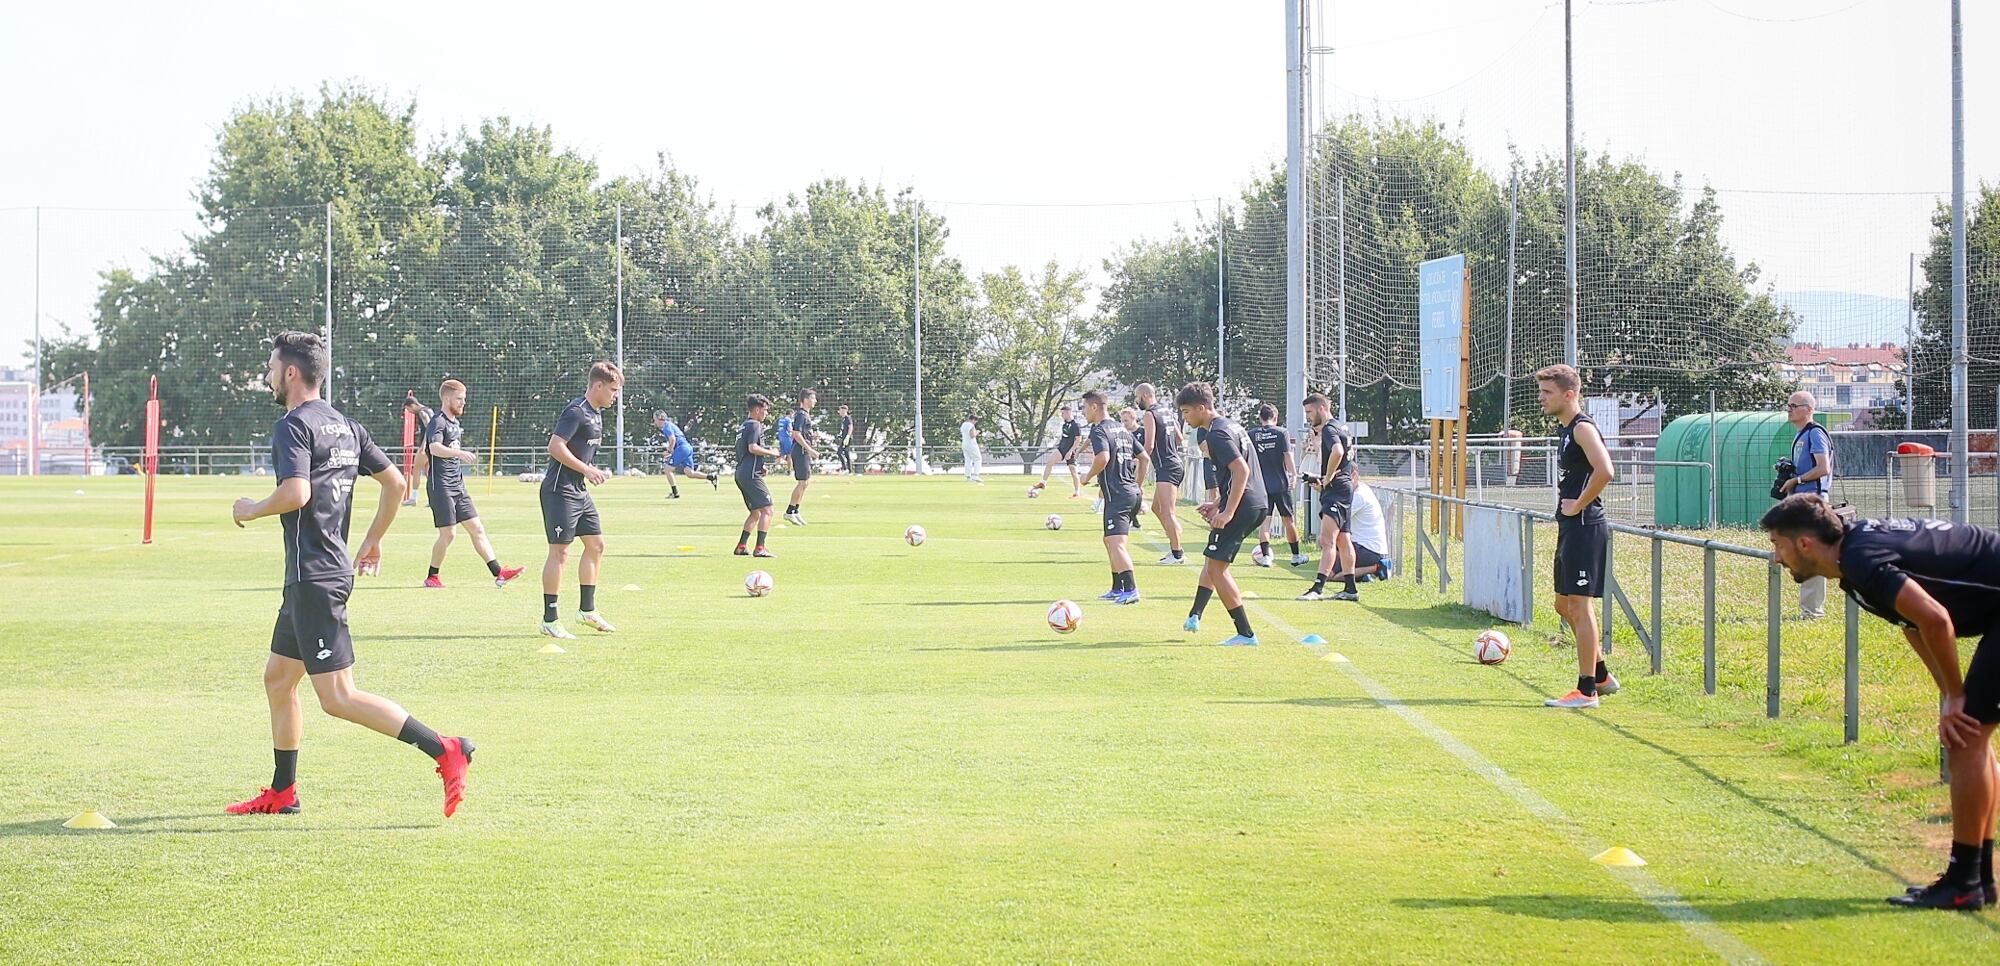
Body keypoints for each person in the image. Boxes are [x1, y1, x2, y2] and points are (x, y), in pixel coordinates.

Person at [226, 331, 473, 818]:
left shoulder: (293, 427)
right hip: (320, 573)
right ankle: (283, 791)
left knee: (338, 697)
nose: (269, 375)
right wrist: (373, 539)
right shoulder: (345, 425)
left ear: (291, 372)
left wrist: (251, 508)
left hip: (314, 579)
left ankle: (445, 747)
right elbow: (396, 482)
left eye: (273, 367)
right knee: (279, 679)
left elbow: (296, 493)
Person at [1762, 495, 2000, 909]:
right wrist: (1948, 692)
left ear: (1804, 544)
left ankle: (1964, 882)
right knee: (1970, 734)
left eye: (1778, 546)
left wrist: (1957, 696)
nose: (1775, 559)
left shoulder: (1861, 561)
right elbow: (1914, 623)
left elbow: (1937, 620)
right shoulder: (1850, 563)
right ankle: (1978, 878)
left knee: (1966, 736)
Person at [1537, 364, 1620, 709]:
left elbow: (1606, 471)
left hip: (1586, 525)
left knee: (1580, 607)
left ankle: (1587, 690)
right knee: (1563, 604)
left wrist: (1578, 505)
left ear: (1569, 395)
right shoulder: (1566, 430)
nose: (1541, 398)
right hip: (1570, 526)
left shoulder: (1583, 428)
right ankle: (1600, 674)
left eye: (1547, 393)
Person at [1176, 382, 1266, 647]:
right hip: (1254, 502)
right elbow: (1236, 475)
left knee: (1216, 568)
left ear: (1202, 408)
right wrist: (1218, 504)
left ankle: (1246, 634)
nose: (1185, 418)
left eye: (1186, 412)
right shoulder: (1230, 426)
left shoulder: (1216, 434)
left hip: (1244, 505)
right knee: (1212, 559)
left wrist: (1227, 511)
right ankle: (1195, 615)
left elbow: (1241, 471)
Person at [537, 362, 621, 641]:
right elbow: (555, 446)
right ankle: (550, 619)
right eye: (612, 390)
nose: (615, 396)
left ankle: (587, 611)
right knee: (560, 553)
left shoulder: (597, 415)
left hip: (578, 490)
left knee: (596, 545)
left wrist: (592, 470)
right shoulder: (576, 411)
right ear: (597, 386)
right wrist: (587, 469)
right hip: (559, 490)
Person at [422, 379, 525, 589]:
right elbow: (434, 448)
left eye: (464, 399)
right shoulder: (438, 421)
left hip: (457, 486)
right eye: (459, 399)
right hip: (441, 486)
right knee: (449, 534)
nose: (463, 403)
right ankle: (432, 576)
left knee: (477, 528)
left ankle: (500, 573)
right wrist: (460, 453)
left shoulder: (455, 423)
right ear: (447, 398)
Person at [1079, 390, 1147, 605]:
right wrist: (1137, 487)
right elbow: (1144, 458)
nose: (1083, 412)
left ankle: (1131, 590)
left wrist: (1087, 477)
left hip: (1118, 495)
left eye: (1083, 408)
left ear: (1094, 407)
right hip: (1129, 493)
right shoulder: (1122, 429)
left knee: (1116, 543)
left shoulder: (1099, 430)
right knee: (1110, 540)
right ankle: (1118, 587)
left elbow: (1103, 457)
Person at [1298, 395, 1361, 602]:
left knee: (1327, 541)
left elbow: (1338, 451)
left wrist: (1327, 478)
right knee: (1343, 539)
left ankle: (1317, 588)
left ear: (1322, 408)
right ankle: (1350, 589)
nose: (1307, 417)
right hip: (1344, 487)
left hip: (1336, 490)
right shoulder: (1342, 427)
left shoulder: (1329, 429)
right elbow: (1348, 460)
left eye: (1309, 412)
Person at [1780, 390, 1834, 619]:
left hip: (1814, 500)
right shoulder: (1800, 435)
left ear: (1809, 409)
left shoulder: (1815, 433)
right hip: (1801, 499)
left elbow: (1823, 468)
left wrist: (1798, 479)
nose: (1789, 409)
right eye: (1788, 405)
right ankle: (1808, 609)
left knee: (1811, 554)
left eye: (1794, 405)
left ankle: (1813, 612)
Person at [1246, 403, 1307, 568]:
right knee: (1288, 520)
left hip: (1261, 485)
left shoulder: (1252, 434)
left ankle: (1265, 557)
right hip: (1280, 484)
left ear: (1260, 418)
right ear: (1276, 417)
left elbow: (1247, 459)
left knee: (1265, 522)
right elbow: (1288, 456)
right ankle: (1296, 555)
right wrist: (1294, 475)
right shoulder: (1282, 433)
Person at [1134, 383, 1188, 564]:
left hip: (1168, 467)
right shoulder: (1167, 412)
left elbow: (1148, 445)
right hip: (1174, 464)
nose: (1136, 401)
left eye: (1137, 397)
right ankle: (1175, 534)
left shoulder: (1150, 414)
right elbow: (1180, 439)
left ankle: (1177, 553)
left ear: (1144, 395)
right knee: (1157, 508)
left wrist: (1140, 462)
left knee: (1167, 512)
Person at [734, 394, 781, 558]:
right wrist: (772, 452)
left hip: (741, 473)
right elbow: (752, 447)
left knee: (756, 512)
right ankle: (760, 548)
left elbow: (745, 452)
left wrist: (761, 465)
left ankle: (741, 546)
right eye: (765, 410)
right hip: (750, 474)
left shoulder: (743, 426)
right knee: (768, 510)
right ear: (756, 409)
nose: (766, 414)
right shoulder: (755, 425)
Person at [1328, 481, 1393, 582]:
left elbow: (1335, 518)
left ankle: (1377, 568)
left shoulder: (1359, 496)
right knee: (1331, 544)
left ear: (1353, 476)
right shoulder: (1360, 490)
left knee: (1331, 575)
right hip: (1364, 546)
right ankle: (1362, 575)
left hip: (1368, 550)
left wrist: (1326, 495)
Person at [654, 410, 718, 499]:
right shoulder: (671, 425)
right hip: (687, 448)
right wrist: (672, 451)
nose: (655, 422)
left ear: (658, 419)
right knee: (689, 473)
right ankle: (711, 477)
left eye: (655, 420)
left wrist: (669, 451)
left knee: (668, 469)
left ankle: (675, 493)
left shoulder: (666, 426)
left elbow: (672, 439)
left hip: (682, 448)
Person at [1033, 404, 1089, 499]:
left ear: (1068, 413)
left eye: (1063, 413)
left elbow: (1078, 440)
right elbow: (1064, 437)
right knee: (1050, 461)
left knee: (1073, 472)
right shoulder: (1064, 425)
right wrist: (1057, 445)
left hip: (1070, 451)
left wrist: (1070, 451)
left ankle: (1077, 492)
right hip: (1061, 449)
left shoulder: (1076, 425)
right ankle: (1043, 483)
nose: (1062, 415)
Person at [785, 389, 820, 526]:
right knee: (802, 482)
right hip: (800, 452)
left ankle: (796, 510)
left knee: (805, 482)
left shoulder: (805, 415)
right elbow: (796, 434)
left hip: (803, 451)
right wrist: (809, 449)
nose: (815, 401)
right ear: (805, 400)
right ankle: (789, 511)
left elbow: (803, 433)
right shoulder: (801, 415)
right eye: (813, 398)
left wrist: (813, 437)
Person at [401, 393, 433, 508]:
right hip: (433, 446)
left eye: (408, 409)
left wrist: (424, 445)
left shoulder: (422, 412)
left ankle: (413, 498)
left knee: (416, 470)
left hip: (426, 446)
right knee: (429, 473)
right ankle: (432, 499)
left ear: (413, 405)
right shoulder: (429, 409)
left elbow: (430, 428)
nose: (409, 411)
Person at [960, 414, 982, 483]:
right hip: (971, 444)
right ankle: (976, 475)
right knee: (978, 458)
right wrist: (977, 433)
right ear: (973, 420)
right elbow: (972, 435)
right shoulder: (971, 425)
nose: (975, 422)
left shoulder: (963, 425)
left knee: (968, 460)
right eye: (975, 421)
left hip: (964, 444)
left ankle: (968, 476)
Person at [836, 404, 855, 474]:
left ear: (844, 410)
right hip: (844, 438)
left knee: (839, 452)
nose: (839, 412)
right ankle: (849, 471)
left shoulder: (848, 418)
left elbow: (851, 427)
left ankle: (845, 468)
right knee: (846, 454)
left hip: (847, 439)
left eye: (840, 410)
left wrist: (848, 436)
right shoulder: (843, 419)